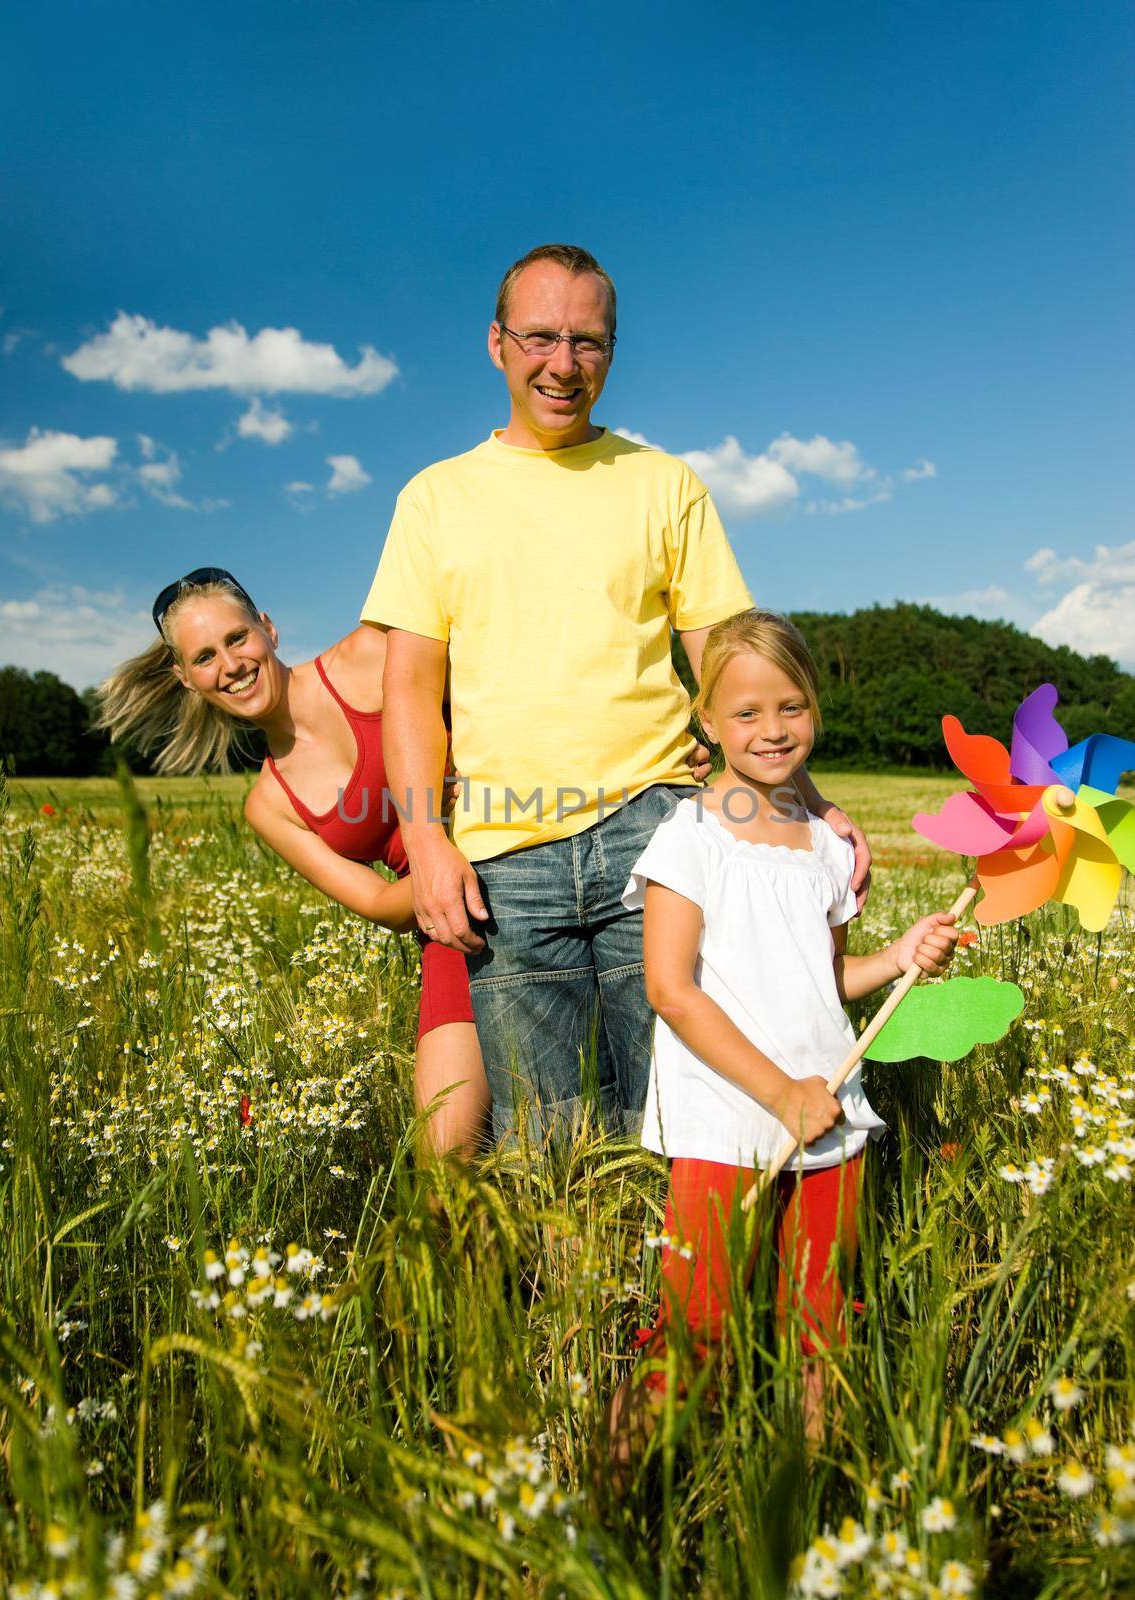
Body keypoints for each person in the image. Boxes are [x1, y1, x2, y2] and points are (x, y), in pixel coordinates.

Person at [362, 242, 872, 1143]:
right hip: (505, 855)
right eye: (541, 338)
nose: (564, 364)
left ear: (611, 350)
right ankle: (575, 1288)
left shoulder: (664, 484)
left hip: (661, 832)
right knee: (544, 1144)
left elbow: (734, 667)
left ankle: (677, 1285)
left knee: (688, 1110)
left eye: (589, 342)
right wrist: (424, 836)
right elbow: (410, 686)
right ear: (496, 343)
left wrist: (804, 800)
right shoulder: (434, 499)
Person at [599, 609, 959, 1483]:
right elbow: (669, 990)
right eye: (748, 713)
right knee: (699, 1326)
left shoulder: (825, 848)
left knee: (825, 1322)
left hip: (830, 1113)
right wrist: (777, 1092)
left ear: (816, 711)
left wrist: (902, 955)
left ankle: (807, 1503)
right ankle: (611, 1502)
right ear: (708, 724)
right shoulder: (691, 837)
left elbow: (826, 980)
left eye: (790, 707)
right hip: (729, 1118)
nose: (771, 730)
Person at [96, 567, 487, 1158]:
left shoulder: (367, 654)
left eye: (236, 639)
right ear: (186, 678)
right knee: (445, 1153)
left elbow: (505, 680)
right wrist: (444, 878)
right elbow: (381, 902)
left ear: (269, 630)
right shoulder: (269, 804)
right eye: (204, 657)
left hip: (532, 846)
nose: (230, 665)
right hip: (449, 923)